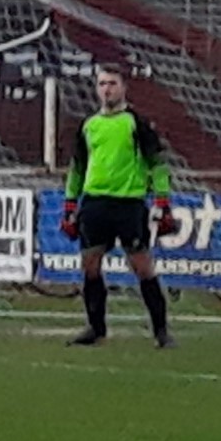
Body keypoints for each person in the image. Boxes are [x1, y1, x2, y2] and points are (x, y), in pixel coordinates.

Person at [62, 65, 176, 349]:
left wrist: (162, 200)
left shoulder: (136, 122)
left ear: (123, 87)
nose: (107, 89)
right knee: (90, 265)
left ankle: (161, 331)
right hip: (95, 203)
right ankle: (95, 328)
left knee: (142, 267)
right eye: (102, 83)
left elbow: (157, 163)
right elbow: (77, 167)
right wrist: (69, 204)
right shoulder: (89, 125)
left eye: (112, 83)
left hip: (129, 204)